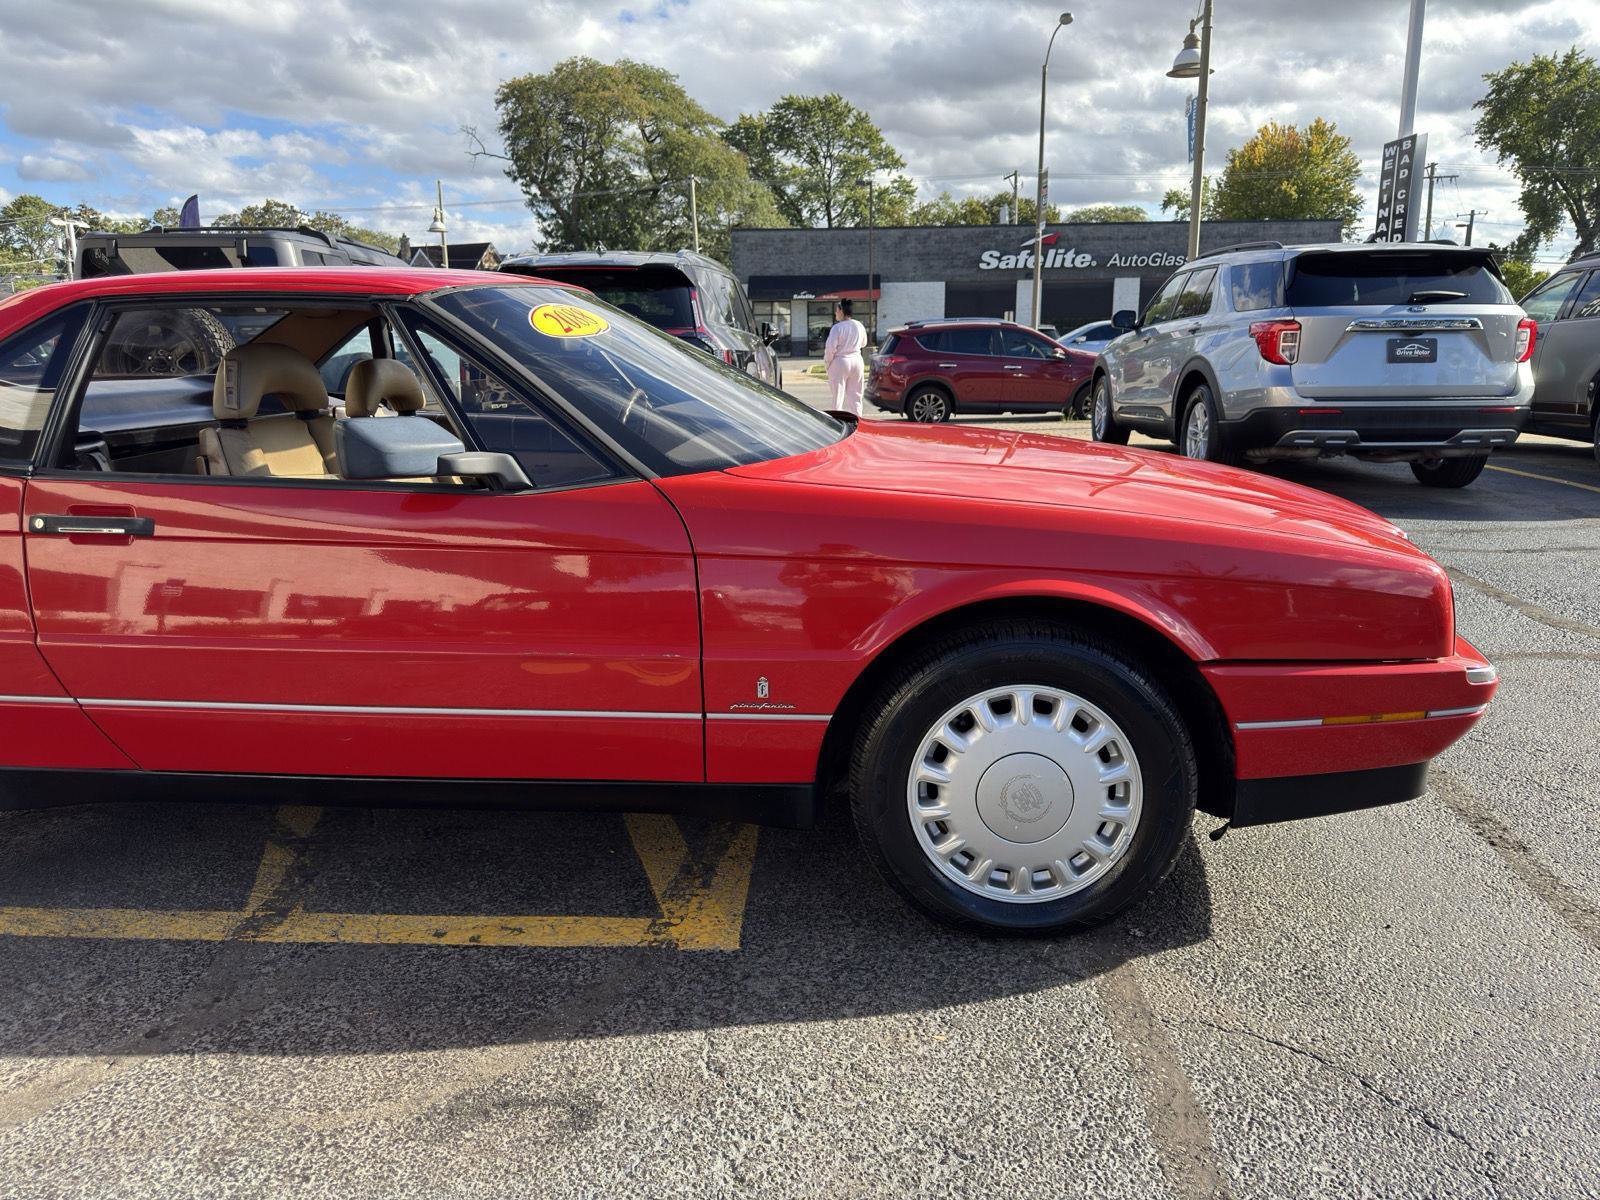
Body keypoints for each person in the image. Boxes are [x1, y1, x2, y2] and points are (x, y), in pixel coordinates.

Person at [822, 299, 868, 416]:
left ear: (841, 311)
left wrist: (827, 364)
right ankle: (859, 422)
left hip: (840, 361)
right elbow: (864, 343)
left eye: (837, 310)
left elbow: (830, 349)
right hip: (857, 360)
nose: (835, 313)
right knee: (856, 396)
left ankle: (838, 423)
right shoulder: (859, 325)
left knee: (838, 397)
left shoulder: (837, 328)